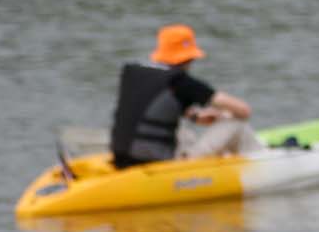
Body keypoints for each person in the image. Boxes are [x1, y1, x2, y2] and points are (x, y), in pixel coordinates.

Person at [109, 25, 258, 167]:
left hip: (123, 156)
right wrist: (224, 116)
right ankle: (263, 159)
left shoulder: (135, 73)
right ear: (189, 58)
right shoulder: (181, 82)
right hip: (163, 162)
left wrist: (195, 117)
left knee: (184, 129)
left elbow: (154, 108)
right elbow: (244, 111)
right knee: (237, 123)